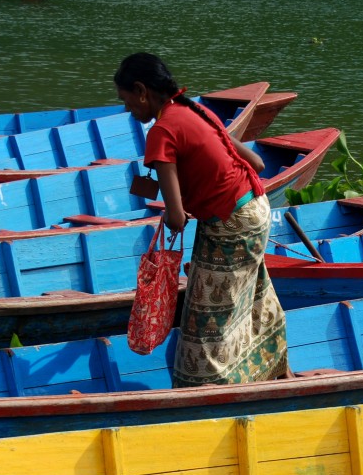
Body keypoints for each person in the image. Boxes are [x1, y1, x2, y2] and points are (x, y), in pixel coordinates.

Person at [114, 52, 289, 387]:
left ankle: (206, 387)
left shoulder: (161, 132)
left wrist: (179, 204)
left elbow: (176, 217)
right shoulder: (196, 110)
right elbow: (257, 164)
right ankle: (275, 369)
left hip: (230, 225)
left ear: (141, 91)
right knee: (254, 295)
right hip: (256, 210)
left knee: (207, 320)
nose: (127, 109)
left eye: (126, 100)